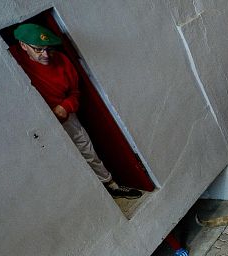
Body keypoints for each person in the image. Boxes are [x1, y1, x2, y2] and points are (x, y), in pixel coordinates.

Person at [10, 23, 142, 200]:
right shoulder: (11, 60)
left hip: (64, 115)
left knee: (87, 150)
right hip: (36, 127)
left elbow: (75, 92)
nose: (46, 55)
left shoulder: (62, 61)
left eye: (49, 49)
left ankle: (111, 186)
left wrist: (65, 107)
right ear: (23, 45)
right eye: (39, 50)